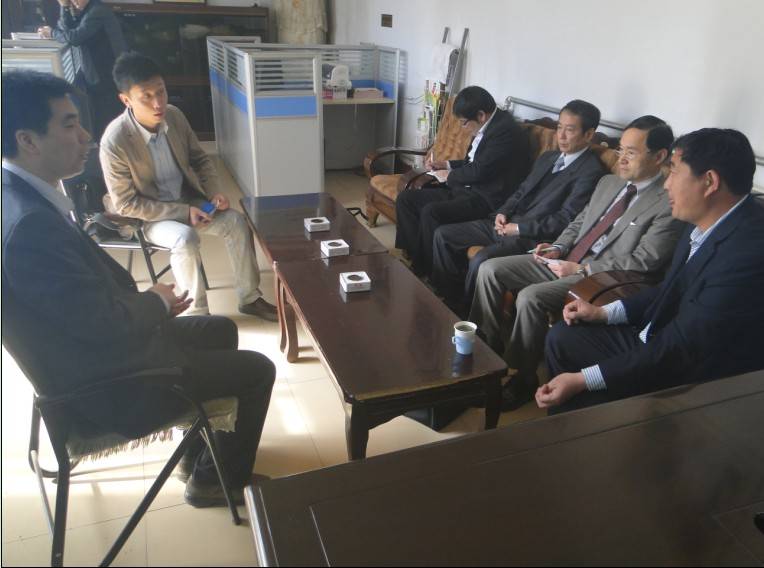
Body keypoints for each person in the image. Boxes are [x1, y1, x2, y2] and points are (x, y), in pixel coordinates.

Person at [1, 70, 275, 508]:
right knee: (258, 370)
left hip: (100, 353)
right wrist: (154, 302)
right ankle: (214, 483)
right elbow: (99, 324)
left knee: (219, 329)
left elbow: (80, 308)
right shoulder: (31, 226)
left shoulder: (19, 196)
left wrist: (152, 304)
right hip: (109, 384)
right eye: (70, 125)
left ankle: (196, 456)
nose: (85, 136)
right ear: (28, 141)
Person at [538, 128, 764, 413]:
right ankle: (572, 423)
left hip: (695, 375)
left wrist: (583, 380)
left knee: (583, 389)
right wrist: (602, 313)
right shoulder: (704, 220)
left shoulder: (747, 253)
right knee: (562, 337)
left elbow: (683, 347)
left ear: (709, 182)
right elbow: (669, 288)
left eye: (674, 172)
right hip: (660, 336)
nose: (666, 185)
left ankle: (592, 425)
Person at [469, 116, 686, 410]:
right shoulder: (609, 182)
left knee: (531, 297)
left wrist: (582, 268)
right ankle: (487, 346)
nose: (621, 159)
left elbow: (645, 260)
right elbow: (580, 222)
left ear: (659, 156)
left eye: (631, 153)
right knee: (489, 269)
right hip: (567, 259)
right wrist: (557, 247)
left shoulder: (666, 202)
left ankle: (522, 377)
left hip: (600, 278)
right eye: (620, 150)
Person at [100, 52, 277, 320]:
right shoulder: (115, 141)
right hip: (150, 218)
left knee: (237, 222)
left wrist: (214, 193)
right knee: (185, 238)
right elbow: (126, 204)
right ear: (126, 100)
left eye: (161, 91)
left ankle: (250, 298)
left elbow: (200, 160)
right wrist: (183, 213)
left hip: (189, 200)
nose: (158, 103)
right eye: (146, 96)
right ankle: (197, 314)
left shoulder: (174, 116)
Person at [430, 99, 606, 313]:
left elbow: (565, 219)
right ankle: (448, 300)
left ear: (588, 134)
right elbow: (521, 190)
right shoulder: (549, 157)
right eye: (559, 127)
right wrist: (503, 212)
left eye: (569, 130)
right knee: (444, 235)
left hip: (531, 237)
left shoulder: (591, 172)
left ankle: (465, 315)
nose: (561, 136)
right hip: (506, 223)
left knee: (481, 260)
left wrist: (519, 228)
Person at [394, 85, 530, 276]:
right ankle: (414, 255)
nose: (462, 128)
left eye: (464, 123)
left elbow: (480, 170)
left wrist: (449, 176)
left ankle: (425, 270)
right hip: (466, 190)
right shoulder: (489, 125)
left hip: (485, 200)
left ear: (480, 115)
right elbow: (472, 163)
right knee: (406, 199)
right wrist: (446, 164)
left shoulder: (506, 133)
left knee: (431, 212)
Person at [38, 0, 125, 140]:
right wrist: (65, 8)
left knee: (108, 118)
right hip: (99, 75)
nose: (74, 1)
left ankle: (109, 145)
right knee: (101, 118)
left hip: (108, 76)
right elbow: (66, 29)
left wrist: (52, 33)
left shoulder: (97, 10)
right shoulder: (87, 11)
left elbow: (75, 38)